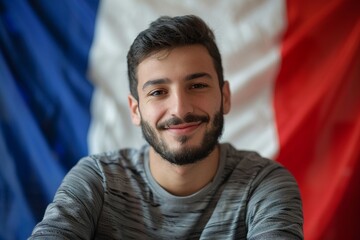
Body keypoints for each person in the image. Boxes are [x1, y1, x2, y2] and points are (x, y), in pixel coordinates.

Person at [29, 15, 303, 239]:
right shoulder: (97, 181)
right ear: (136, 110)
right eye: (158, 92)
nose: (180, 109)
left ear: (225, 97)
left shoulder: (265, 186)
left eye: (197, 86)